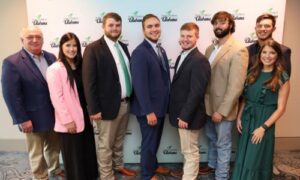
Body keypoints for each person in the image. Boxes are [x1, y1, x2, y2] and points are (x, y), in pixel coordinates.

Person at [1, 26, 64, 180]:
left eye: (38, 37)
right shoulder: (12, 62)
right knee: (36, 152)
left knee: (54, 147)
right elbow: (11, 95)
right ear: (22, 40)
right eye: (30, 37)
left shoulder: (51, 57)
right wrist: (22, 119)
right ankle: (40, 176)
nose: (35, 40)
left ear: (42, 39)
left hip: (54, 114)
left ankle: (54, 170)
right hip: (31, 117)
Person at [82, 12, 136, 180]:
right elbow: (88, 82)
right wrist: (94, 109)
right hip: (105, 108)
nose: (115, 28)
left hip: (125, 104)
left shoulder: (123, 47)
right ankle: (106, 175)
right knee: (105, 145)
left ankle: (118, 166)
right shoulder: (93, 49)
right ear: (103, 26)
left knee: (119, 140)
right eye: (111, 25)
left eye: (118, 25)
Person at [199, 11, 249, 180]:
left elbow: (236, 86)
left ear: (230, 25)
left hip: (223, 109)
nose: (218, 26)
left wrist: (222, 111)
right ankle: (213, 166)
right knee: (212, 139)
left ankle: (221, 176)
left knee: (223, 144)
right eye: (215, 23)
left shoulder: (238, 50)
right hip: (207, 105)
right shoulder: (209, 48)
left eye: (222, 22)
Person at [231, 39, 290, 180]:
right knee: (242, 156)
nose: (267, 56)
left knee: (255, 159)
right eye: (264, 52)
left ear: (277, 56)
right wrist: (239, 116)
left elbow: (281, 109)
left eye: (272, 53)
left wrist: (263, 127)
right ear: (259, 54)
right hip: (247, 118)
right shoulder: (252, 72)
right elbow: (245, 98)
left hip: (264, 122)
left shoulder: (282, 77)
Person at [46, 32, 98, 180]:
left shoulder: (81, 65)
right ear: (61, 47)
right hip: (69, 122)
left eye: (75, 45)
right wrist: (67, 120)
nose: (72, 49)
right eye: (68, 45)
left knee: (86, 154)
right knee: (74, 159)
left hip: (84, 118)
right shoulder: (55, 69)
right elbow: (57, 98)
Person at [247, 13, 292, 175]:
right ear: (255, 28)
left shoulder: (284, 50)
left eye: (267, 26)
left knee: (262, 144)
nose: (263, 29)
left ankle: (266, 164)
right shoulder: (248, 50)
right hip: (249, 107)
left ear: (273, 28)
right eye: (260, 26)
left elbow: (283, 80)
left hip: (267, 108)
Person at [130, 14, 171, 180]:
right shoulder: (140, 52)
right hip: (149, 110)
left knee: (155, 141)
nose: (154, 29)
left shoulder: (160, 49)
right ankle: (147, 175)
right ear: (143, 30)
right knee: (148, 143)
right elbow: (140, 85)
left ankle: (153, 166)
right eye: (150, 26)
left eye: (156, 25)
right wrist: (148, 111)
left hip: (160, 107)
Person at [168, 22, 211, 180]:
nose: (185, 39)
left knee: (190, 152)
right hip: (182, 113)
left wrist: (185, 116)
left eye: (190, 36)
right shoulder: (182, 55)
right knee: (187, 150)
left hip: (189, 116)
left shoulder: (200, 60)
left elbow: (197, 92)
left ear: (197, 37)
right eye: (183, 36)